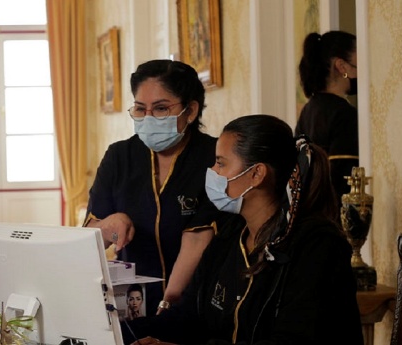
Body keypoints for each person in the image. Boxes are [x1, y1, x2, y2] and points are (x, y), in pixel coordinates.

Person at [124, 114, 363, 345]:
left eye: (220, 163)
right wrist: (119, 330)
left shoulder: (318, 246)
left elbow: (294, 339)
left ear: (256, 174)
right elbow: (190, 317)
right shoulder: (229, 236)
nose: (212, 172)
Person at [85, 60, 220, 317]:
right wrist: (109, 226)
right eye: (139, 109)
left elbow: (197, 239)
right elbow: (89, 236)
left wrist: (168, 306)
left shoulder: (214, 157)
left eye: (160, 109)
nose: (148, 119)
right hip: (130, 304)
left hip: (194, 303)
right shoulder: (119, 157)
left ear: (190, 110)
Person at [296, 30, 358, 202]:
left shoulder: (307, 111)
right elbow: (344, 179)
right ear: (342, 66)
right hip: (332, 214)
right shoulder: (344, 114)